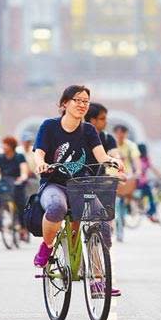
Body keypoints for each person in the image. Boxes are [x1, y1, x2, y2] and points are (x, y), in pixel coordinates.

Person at [32, 85, 123, 272]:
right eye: (77, 100)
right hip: (54, 184)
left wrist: (113, 161)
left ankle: (99, 278)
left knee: (102, 224)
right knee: (57, 207)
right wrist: (41, 162)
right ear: (65, 103)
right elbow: (39, 152)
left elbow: (101, 156)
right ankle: (47, 246)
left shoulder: (89, 130)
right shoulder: (49, 126)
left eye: (86, 101)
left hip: (81, 186)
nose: (82, 105)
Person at [84, 102, 122, 297]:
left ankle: (98, 280)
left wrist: (118, 167)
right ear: (90, 120)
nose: (105, 122)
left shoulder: (107, 138)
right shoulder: (80, 136)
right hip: (76, 187)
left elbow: (114, 155)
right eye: (101, 119)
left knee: (100, 229)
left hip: (99, 187)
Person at [0, 136, 30, 240]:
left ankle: (23, 228)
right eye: (3, 144)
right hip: (4, 182)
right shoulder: (0, 157)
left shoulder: (19, 156)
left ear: (11, 146)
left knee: (21, 204)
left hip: (17, 182)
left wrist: (22, 178)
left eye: (6, 144)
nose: (3, 146)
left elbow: (24, 170)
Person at [136, 143, 161, 222]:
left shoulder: (142, 159)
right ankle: (150, 213)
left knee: (148, 194)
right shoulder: (140, 159)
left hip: (140, 182)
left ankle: (148, 212)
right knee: (150, 195)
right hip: (140, 183)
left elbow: (153, 168)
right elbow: (153, 169)